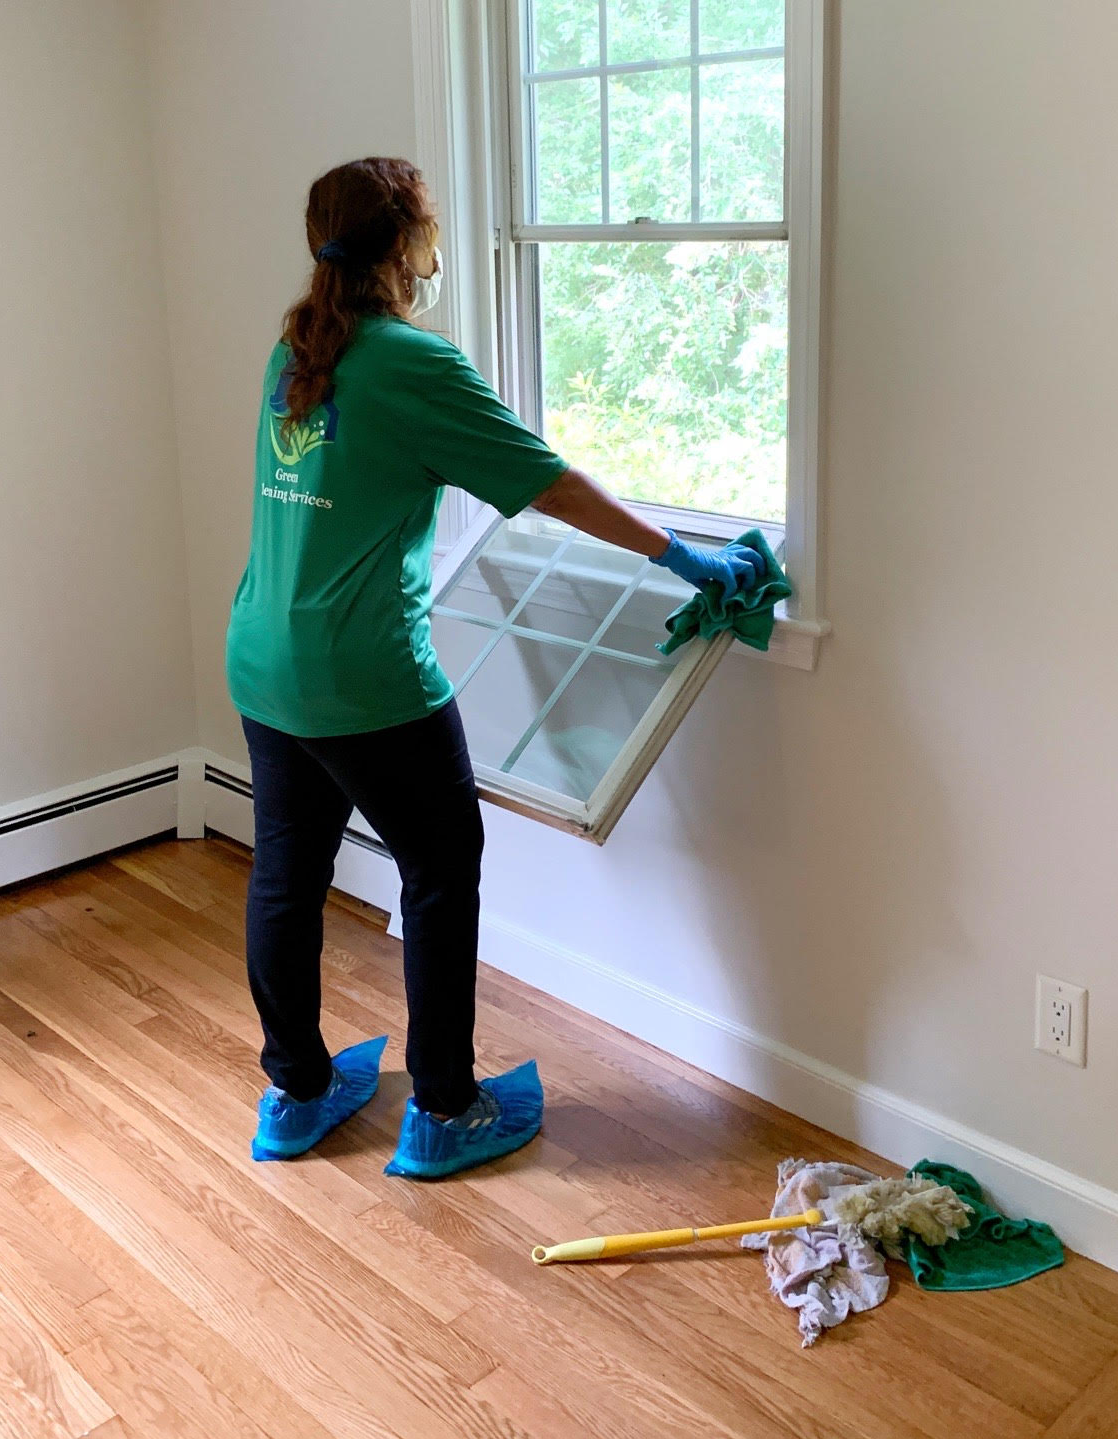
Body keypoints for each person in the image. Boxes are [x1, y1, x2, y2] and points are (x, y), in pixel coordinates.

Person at [228, 156, 762, 1178]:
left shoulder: (295, 349)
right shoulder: (410, 362)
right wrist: (682, 554)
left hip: (264, 658)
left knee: (287, 873)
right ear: (410, 246)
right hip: (364, 679)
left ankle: (295, 1092)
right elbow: (548, 484)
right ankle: (445, 1108)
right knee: (439, 869)